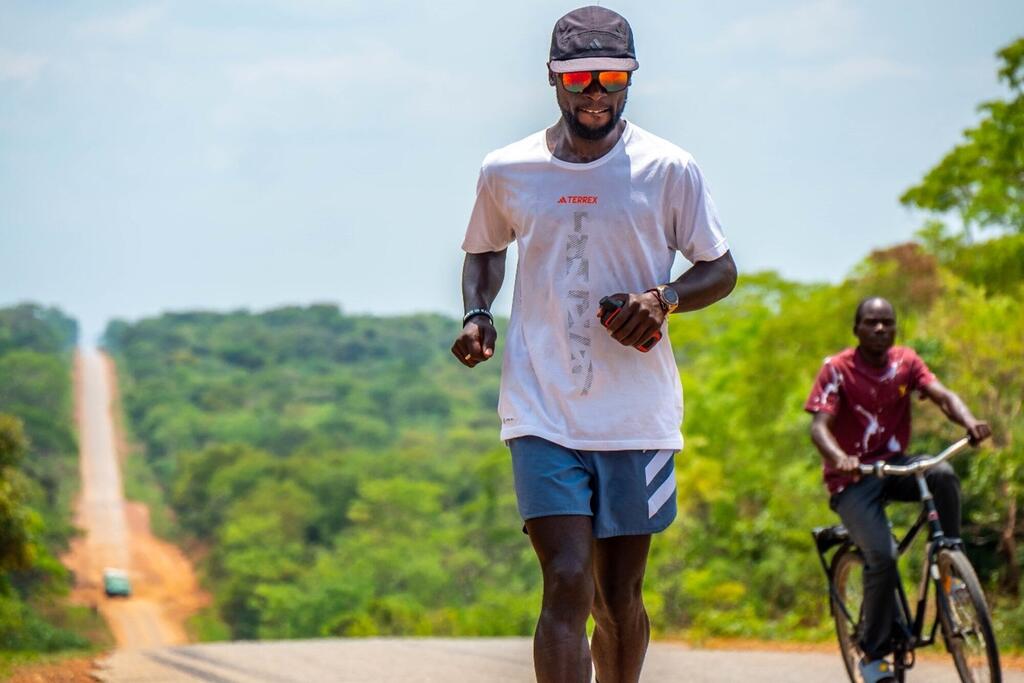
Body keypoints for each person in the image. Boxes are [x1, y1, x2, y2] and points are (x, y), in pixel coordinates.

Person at [451, 6, 737, 682]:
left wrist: (661, 298)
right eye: (580, 78)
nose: (596, 92)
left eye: (612, 77)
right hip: (542, 408)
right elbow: (484, 250)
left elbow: (720, 268)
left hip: (636, 418)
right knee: (567, 579)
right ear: (554, 78)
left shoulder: (669, 169)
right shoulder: (508, 168)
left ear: (630, 78)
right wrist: (476, 312)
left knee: (619, 596)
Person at [805, 296, 991, 683]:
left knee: (941, 474)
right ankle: (873, 655)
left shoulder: (905, 362)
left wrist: (970, 420)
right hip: (853, 478)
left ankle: (950, 565)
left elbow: (943, 395)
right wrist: (841, 457)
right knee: (884, 558)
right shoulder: (837, 370)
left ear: (895, 328)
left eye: (887, 323)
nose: (879, 329)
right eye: (871, 322)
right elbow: (819, 427)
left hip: (894, 466)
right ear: (856, 329)